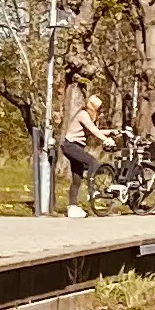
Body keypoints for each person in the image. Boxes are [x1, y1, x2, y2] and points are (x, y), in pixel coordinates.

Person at [55, 88, 106, 216]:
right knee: (92, 162)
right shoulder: (83, 114)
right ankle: (92, 191)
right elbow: (93, 130)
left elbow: (92, 130)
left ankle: (72, 207)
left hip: (74, 146)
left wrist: (111, 132)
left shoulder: (86, 116)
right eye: (98, 109)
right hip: (71, 146)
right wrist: (106, 139)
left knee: (77, 178)